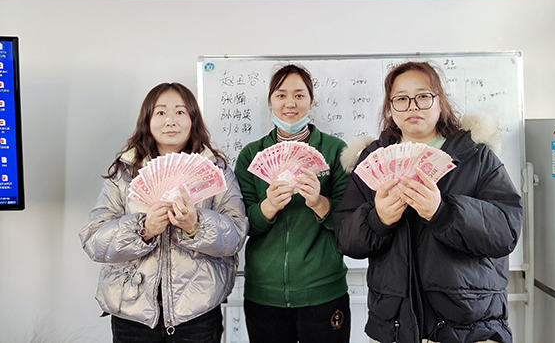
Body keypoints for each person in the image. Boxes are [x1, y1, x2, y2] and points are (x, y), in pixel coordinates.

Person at [333, 62, 523, 343]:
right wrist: (377, 220)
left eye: (423, 96)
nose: (412, 107)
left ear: (439, 101)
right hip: (395, 325)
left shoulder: (477, 157)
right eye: (401, 99)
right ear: (390, 107)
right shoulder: (371, 160)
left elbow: (505, 232)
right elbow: (345, 239)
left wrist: (443, 212)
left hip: (470, 325)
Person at [79, 82, 249, 343]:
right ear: (147, 120)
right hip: (132, 313)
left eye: (180, 112)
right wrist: (143, 230)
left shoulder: (216, 170)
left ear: (193, 119)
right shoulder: (125, 172)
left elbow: (236, 234)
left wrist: (196, 226)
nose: (171, 120)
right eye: (160, 112)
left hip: (198, 313)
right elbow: (94, 239)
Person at [234, 64, 351, 343]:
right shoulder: (251, 154)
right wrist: (268, 207)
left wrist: (319, 202)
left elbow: (350, 222)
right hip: (264, 294)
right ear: (270, 102)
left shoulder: (336, 151)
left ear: (312, 100)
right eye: (281, 95)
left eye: (299, 95)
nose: (290, 103)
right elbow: (241, 223)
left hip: (324, 289)